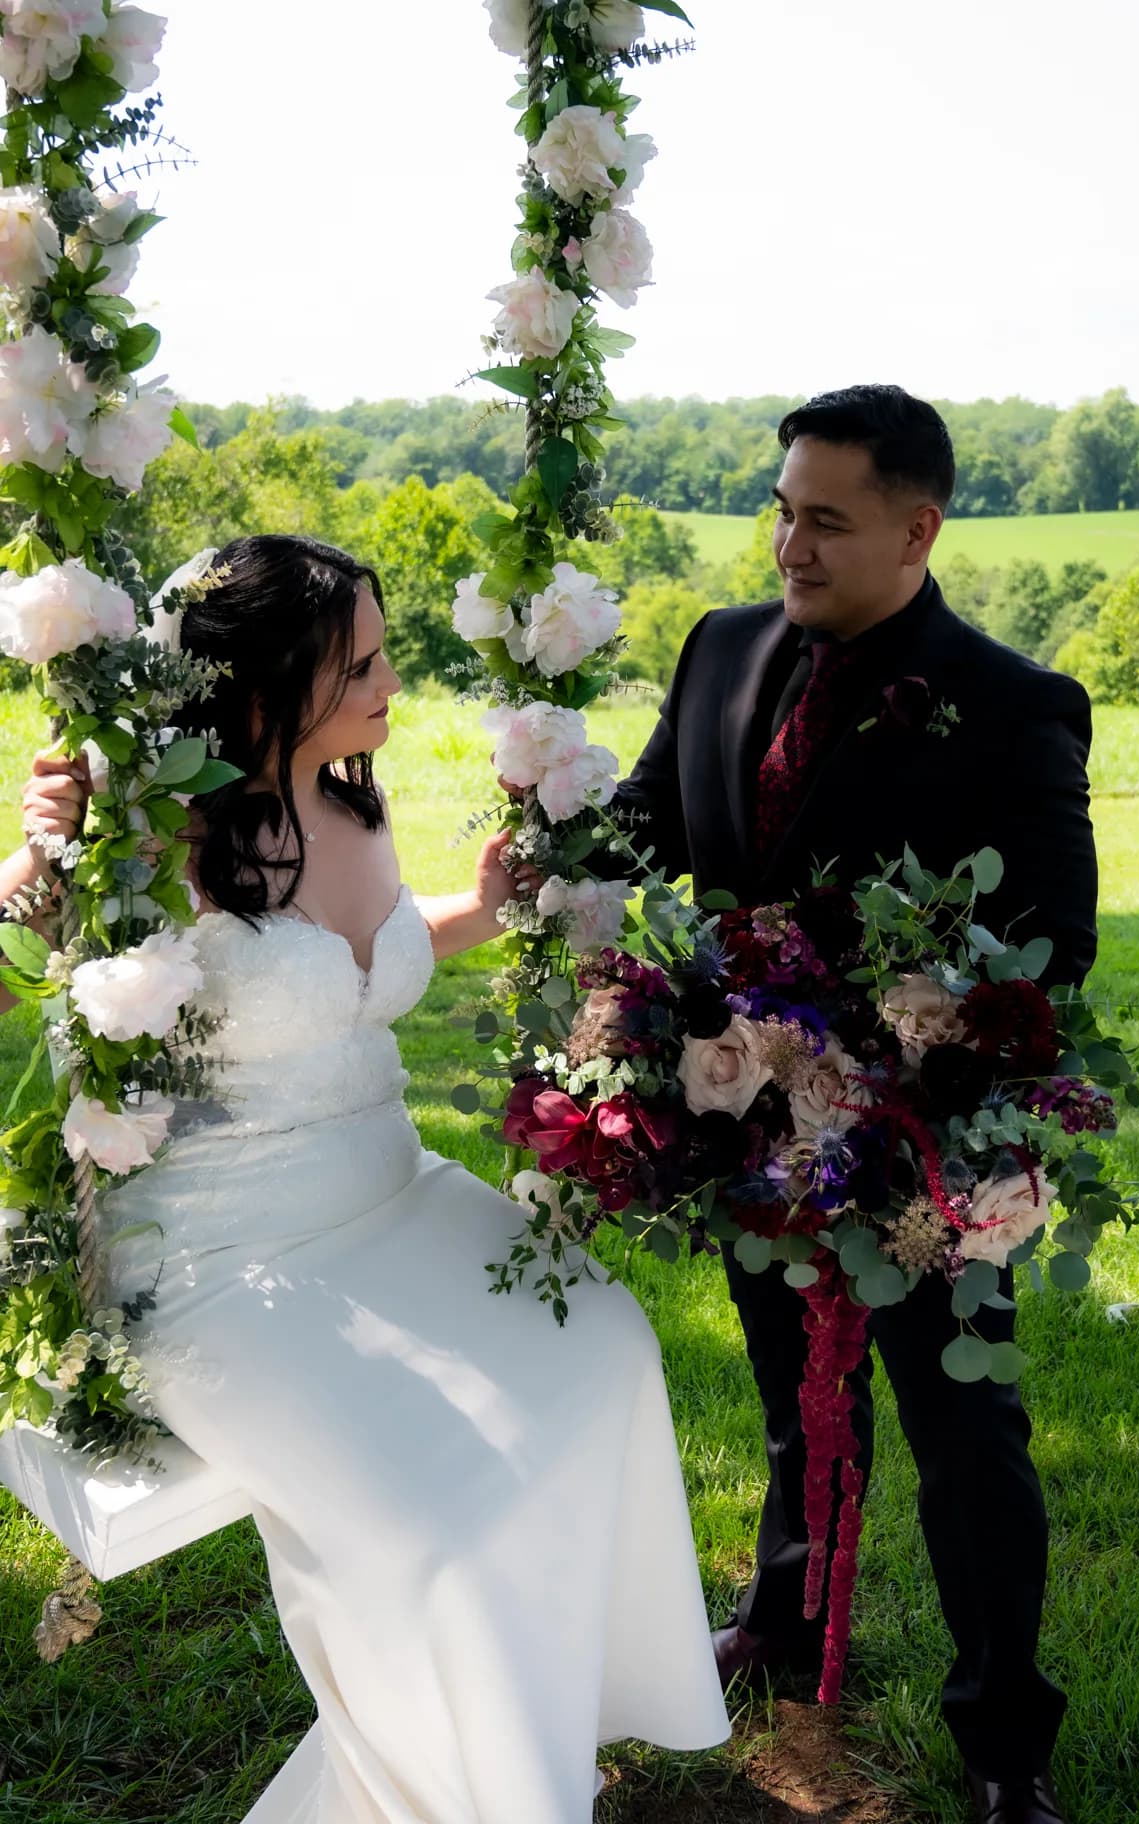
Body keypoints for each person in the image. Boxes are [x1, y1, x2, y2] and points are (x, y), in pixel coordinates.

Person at [2, 533, 730, 1824]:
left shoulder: (353, 797)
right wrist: (44, 854)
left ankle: (540, 1720)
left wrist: (484, 906)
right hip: (227, 1257)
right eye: (362, 663)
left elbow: (359, 963)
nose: (394, 679)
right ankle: (433, 1787)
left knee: (607, 1348)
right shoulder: (143, 829)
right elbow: (38, 938)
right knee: (429, 1525)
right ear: (269, 685)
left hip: (389, 1192)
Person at [607, 387, 1097, 1824]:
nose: (788, 543)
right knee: (788, 1398)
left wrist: (870, 1049)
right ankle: (783, 1617)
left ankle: (1007, 1741)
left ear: (916, 528)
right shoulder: (715, 650)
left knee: (968, 1443)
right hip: (741, 1124)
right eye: (782, 506)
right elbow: (642, 827)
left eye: (826, 518)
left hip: (924, 1150)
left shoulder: (1010, 705)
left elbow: (1053, 947)